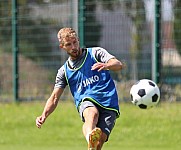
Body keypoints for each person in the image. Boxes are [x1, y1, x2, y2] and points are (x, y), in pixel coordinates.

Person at [36, 27, 125, 150]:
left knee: (99, 144)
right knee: (91, 114)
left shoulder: (95, 53)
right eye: (68, 44)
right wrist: (44, 115)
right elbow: (55, 97)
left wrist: (106, 65)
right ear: (62, 47)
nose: (73, 47)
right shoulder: (64, 72)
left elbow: (118, 65)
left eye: (75, 42)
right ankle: (90, 136)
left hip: (109, 102)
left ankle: (92, 144)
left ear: (78, 40)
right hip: (86, 100)